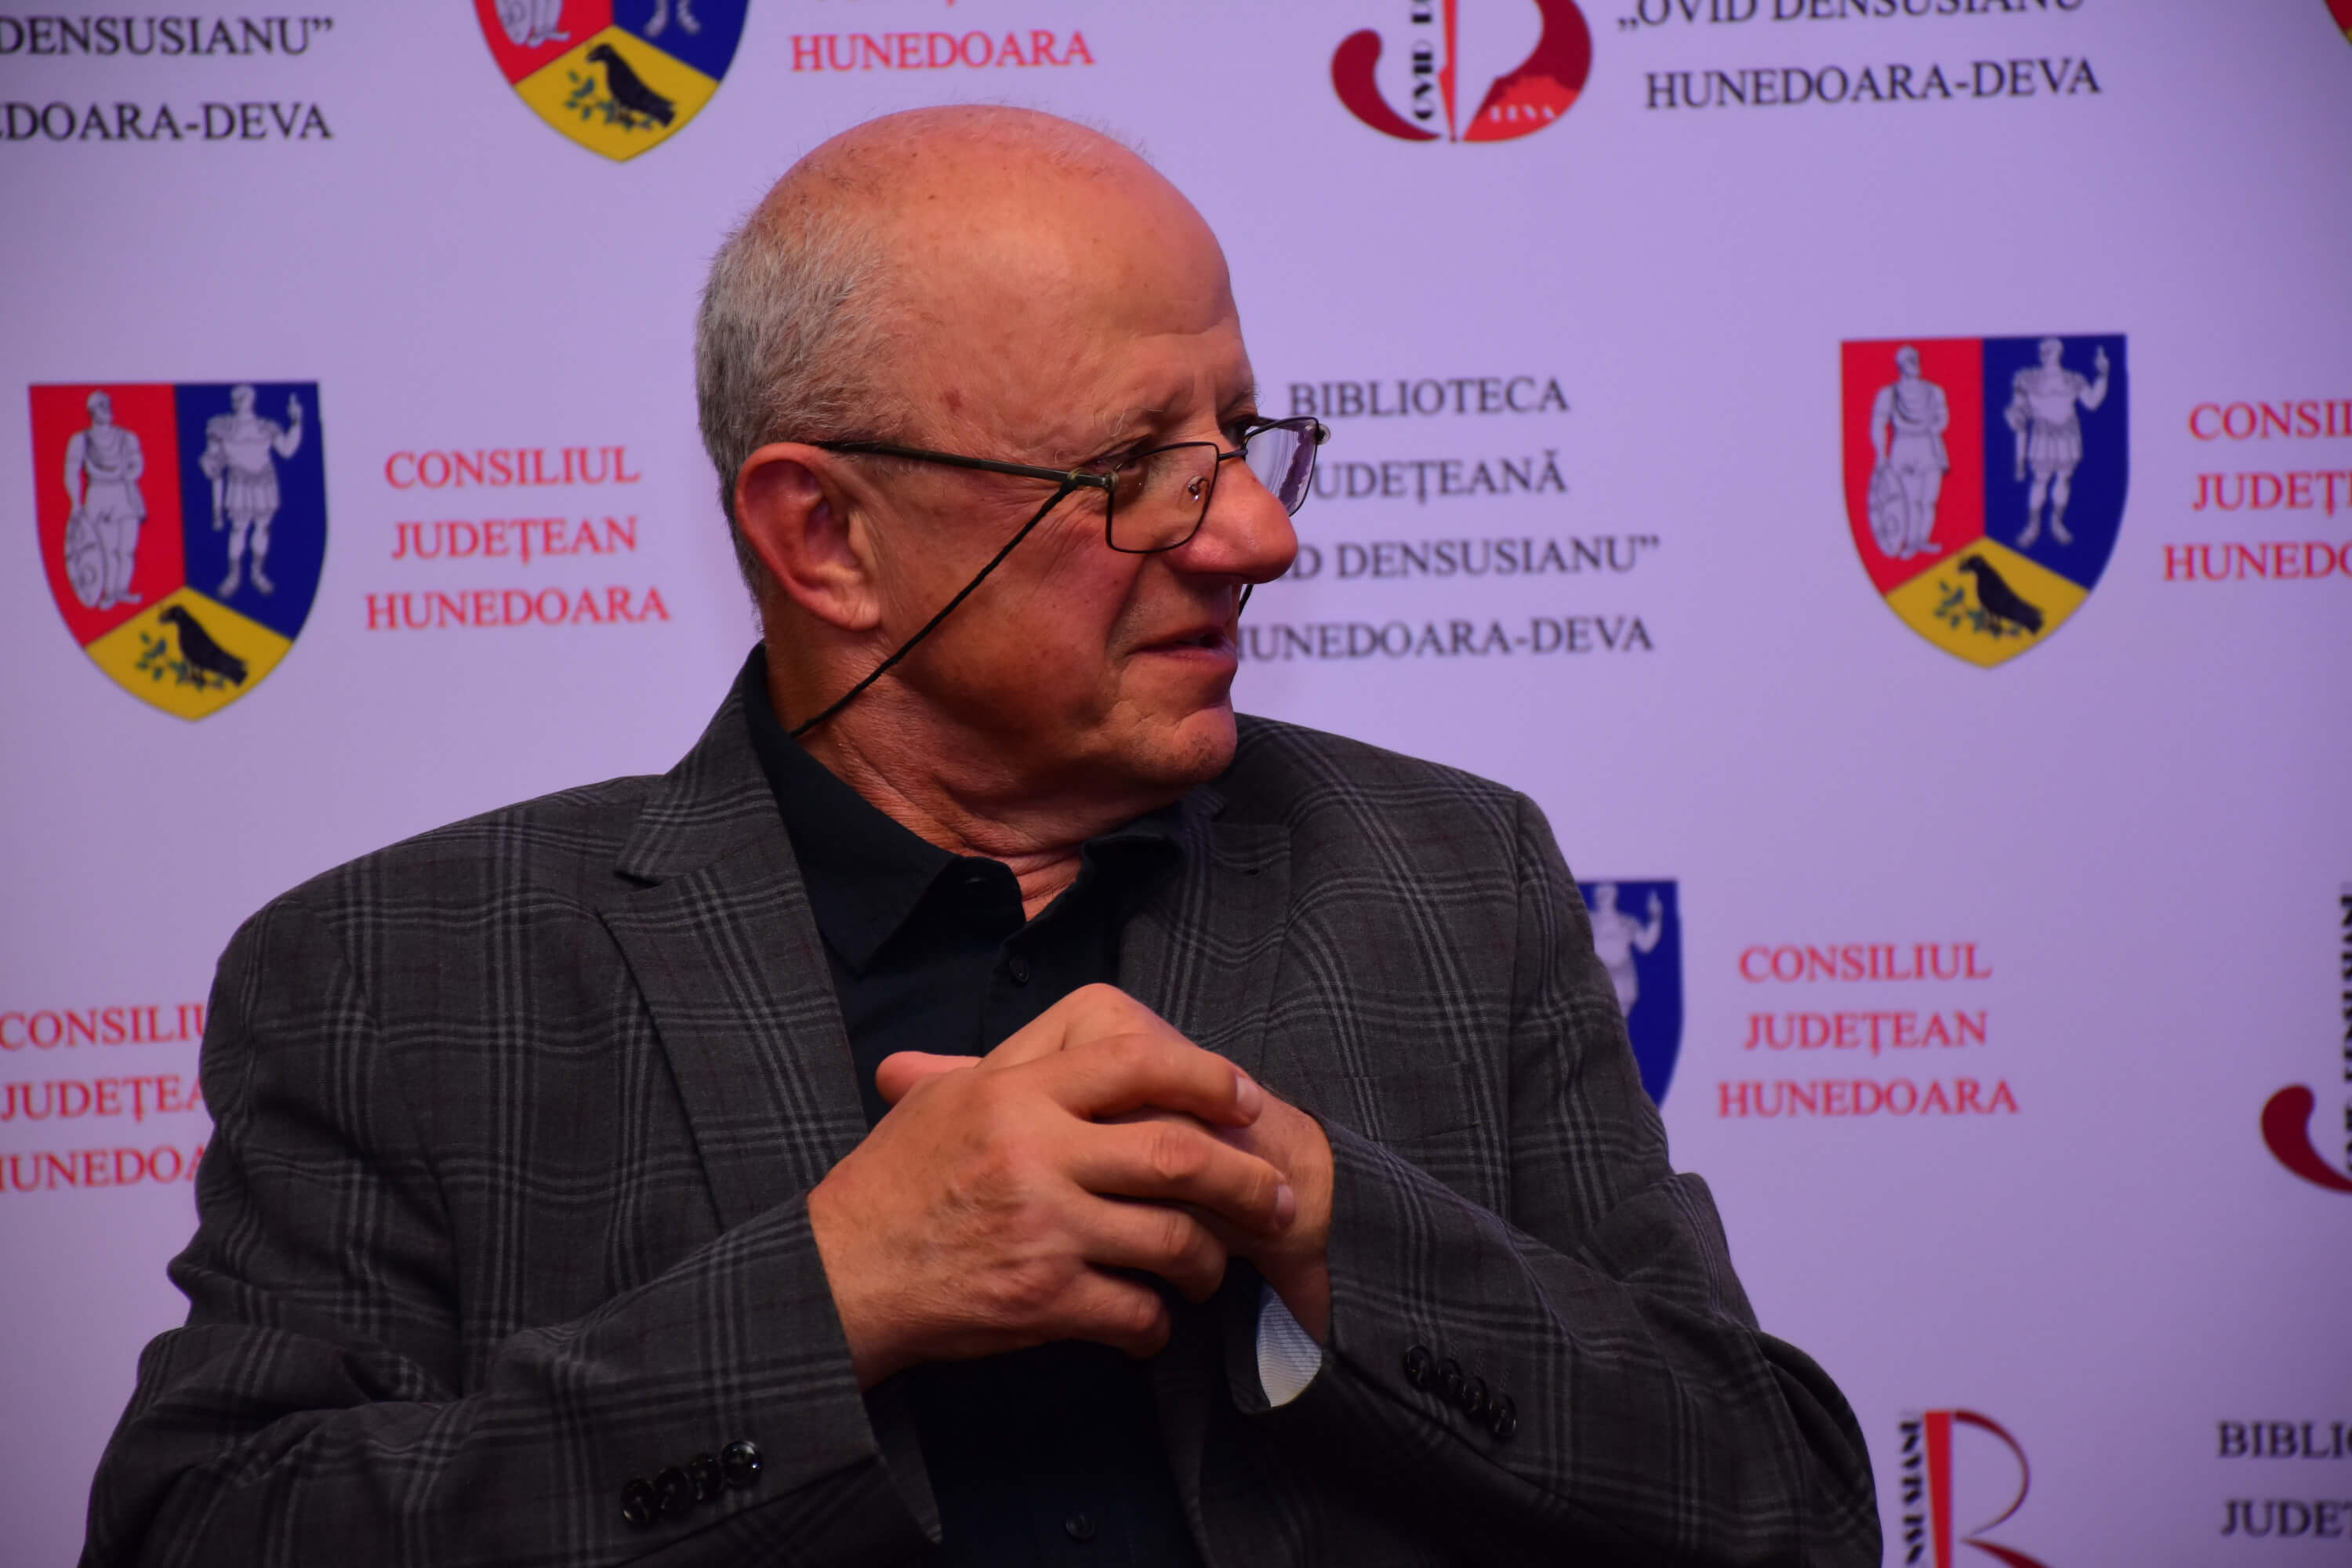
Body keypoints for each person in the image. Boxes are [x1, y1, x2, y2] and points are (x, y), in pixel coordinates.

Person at [85, 107, 1878, 1566]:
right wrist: (827, 1300)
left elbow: (1786, 1507)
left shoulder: (1453, 880)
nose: (1257, 534)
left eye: (1241, 434)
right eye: (1132, 465)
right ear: (827, 538)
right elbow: (210, 1531)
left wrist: (1322, 1227)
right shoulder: (397, 972)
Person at [199, 383, 303, 598]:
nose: (241, 401)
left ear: (252, 400)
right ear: (233, 402)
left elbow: (287, 450)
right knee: (239, 529)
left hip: (264, 483)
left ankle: (257, 574)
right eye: (237, 398)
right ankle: (234, 576)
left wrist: (296, 422)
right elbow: (215, 470)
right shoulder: (220, 427)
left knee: (262, 528)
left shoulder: (267, 427)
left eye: (245, 397)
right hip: (238, 484)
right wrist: (216, 511)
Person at [2005, 337, 2109, 548]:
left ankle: (2057, 523)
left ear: (2058, 354)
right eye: (2045, 351)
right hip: (2042, 435)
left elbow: (2092, 403)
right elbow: (2019, 415)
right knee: (2040, 481)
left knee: (2063, 479)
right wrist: (2019, 458)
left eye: (2051, 351)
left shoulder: (2074, 379)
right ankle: (2033, 526)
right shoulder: (2027, 378)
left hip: (2067, 435)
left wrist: (2102, 375)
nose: (2047, 354)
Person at [61, 389, 147, 612]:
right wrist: (75, 503)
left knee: (127, 549)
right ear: (92, 411)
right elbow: (71, 473)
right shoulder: (81, 440)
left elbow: (138, 464)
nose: (107, 409)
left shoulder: (127, 437)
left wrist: (129, 473)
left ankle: (122, 589)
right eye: (101, 406)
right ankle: (109, 593)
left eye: (107, 405)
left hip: (125, 493)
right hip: (98, 494)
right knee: (106, 550)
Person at [1867, 345, 1949, 561]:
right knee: (1910, 500)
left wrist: (1931, 427)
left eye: (1916, 359)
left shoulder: (1934, 391)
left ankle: (1922, 539)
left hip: (1930, 446)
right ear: (1901, 365)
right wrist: (1880, 454)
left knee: (1929, 500)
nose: (1914, 364)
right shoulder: (1889, 394)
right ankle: (1911, 541)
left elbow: (1943, 418)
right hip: (1903, 446)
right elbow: (1878, 424)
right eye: (1909, 360)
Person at [1584, 881, 1664, 1022]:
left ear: (1614, 896)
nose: (1603, 898)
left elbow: (1646, 944)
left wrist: (1655, 917)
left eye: (1607, 894)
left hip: (1623, 978)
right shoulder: (1588, 921)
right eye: (1600, 894)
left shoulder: (1628, 922)